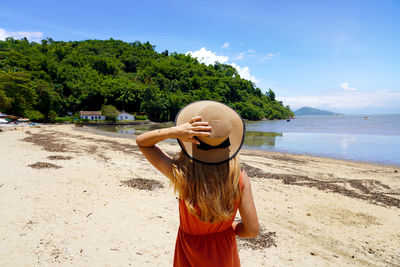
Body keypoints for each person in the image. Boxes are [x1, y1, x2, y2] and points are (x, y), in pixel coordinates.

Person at [136, 100, 259, 267]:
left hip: (189, 250)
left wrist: (173, 132)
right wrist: (234, 227)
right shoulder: (239, 177)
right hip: (223, 251)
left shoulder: (182, 173)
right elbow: (252, 230)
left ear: (190, 138)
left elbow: (142, 142)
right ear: (229, 141)